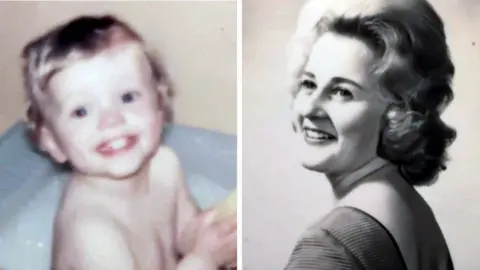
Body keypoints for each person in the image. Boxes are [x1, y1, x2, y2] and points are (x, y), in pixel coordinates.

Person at [21, 15, 236, 270]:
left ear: (160, 103)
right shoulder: (92, 233)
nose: (111, 121)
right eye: (81, 111)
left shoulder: (165, 165)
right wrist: (205, 259)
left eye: (127, 96)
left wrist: (215, 235)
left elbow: (185, 237)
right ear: (52, 142)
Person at [284, 0, 456, 269]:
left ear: (398, 113)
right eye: (309, 84)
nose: (309, 108)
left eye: (342, 92)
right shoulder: (412, 210)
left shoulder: (328, 246)